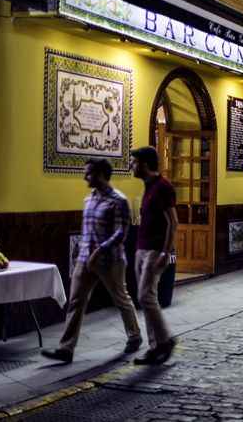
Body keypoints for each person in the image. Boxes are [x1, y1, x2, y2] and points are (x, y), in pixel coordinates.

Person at [41, 159, 141, 364]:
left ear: (102, 175)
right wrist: (81, 251)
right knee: (76, 302)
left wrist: (101, 250)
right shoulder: (88, 200)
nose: (85, 177)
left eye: (89, 173)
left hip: (111, 260)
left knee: (121, 298)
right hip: (85, 259)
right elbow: (87, 231)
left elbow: (122, 232)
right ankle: (66, 348)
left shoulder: (118, 200)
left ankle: (135, 335)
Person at [130, 146, 177, 365]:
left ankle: (164, 341)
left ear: (145, 165)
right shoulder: (148, 187)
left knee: (145, 297)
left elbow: (172, 222)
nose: (132, 166)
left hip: (154, 250)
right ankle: (156, 346)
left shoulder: (162, 187)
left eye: (134, 162)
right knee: (147, 298)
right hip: (142, 248)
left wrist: (165, 252)